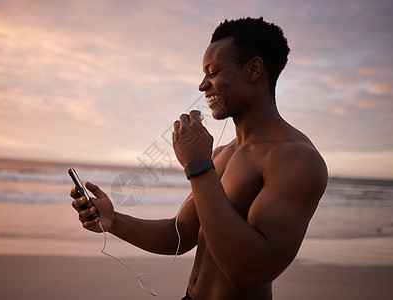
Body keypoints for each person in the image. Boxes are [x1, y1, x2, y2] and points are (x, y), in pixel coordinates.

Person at [71, 17, 328, 300]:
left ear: (253, 69)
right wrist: (113, 221)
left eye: (213, 72)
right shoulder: (221, 153)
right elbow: (180, 233)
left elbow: (249, 273)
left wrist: (197, 166)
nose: (202, 85)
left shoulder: (297, 159)